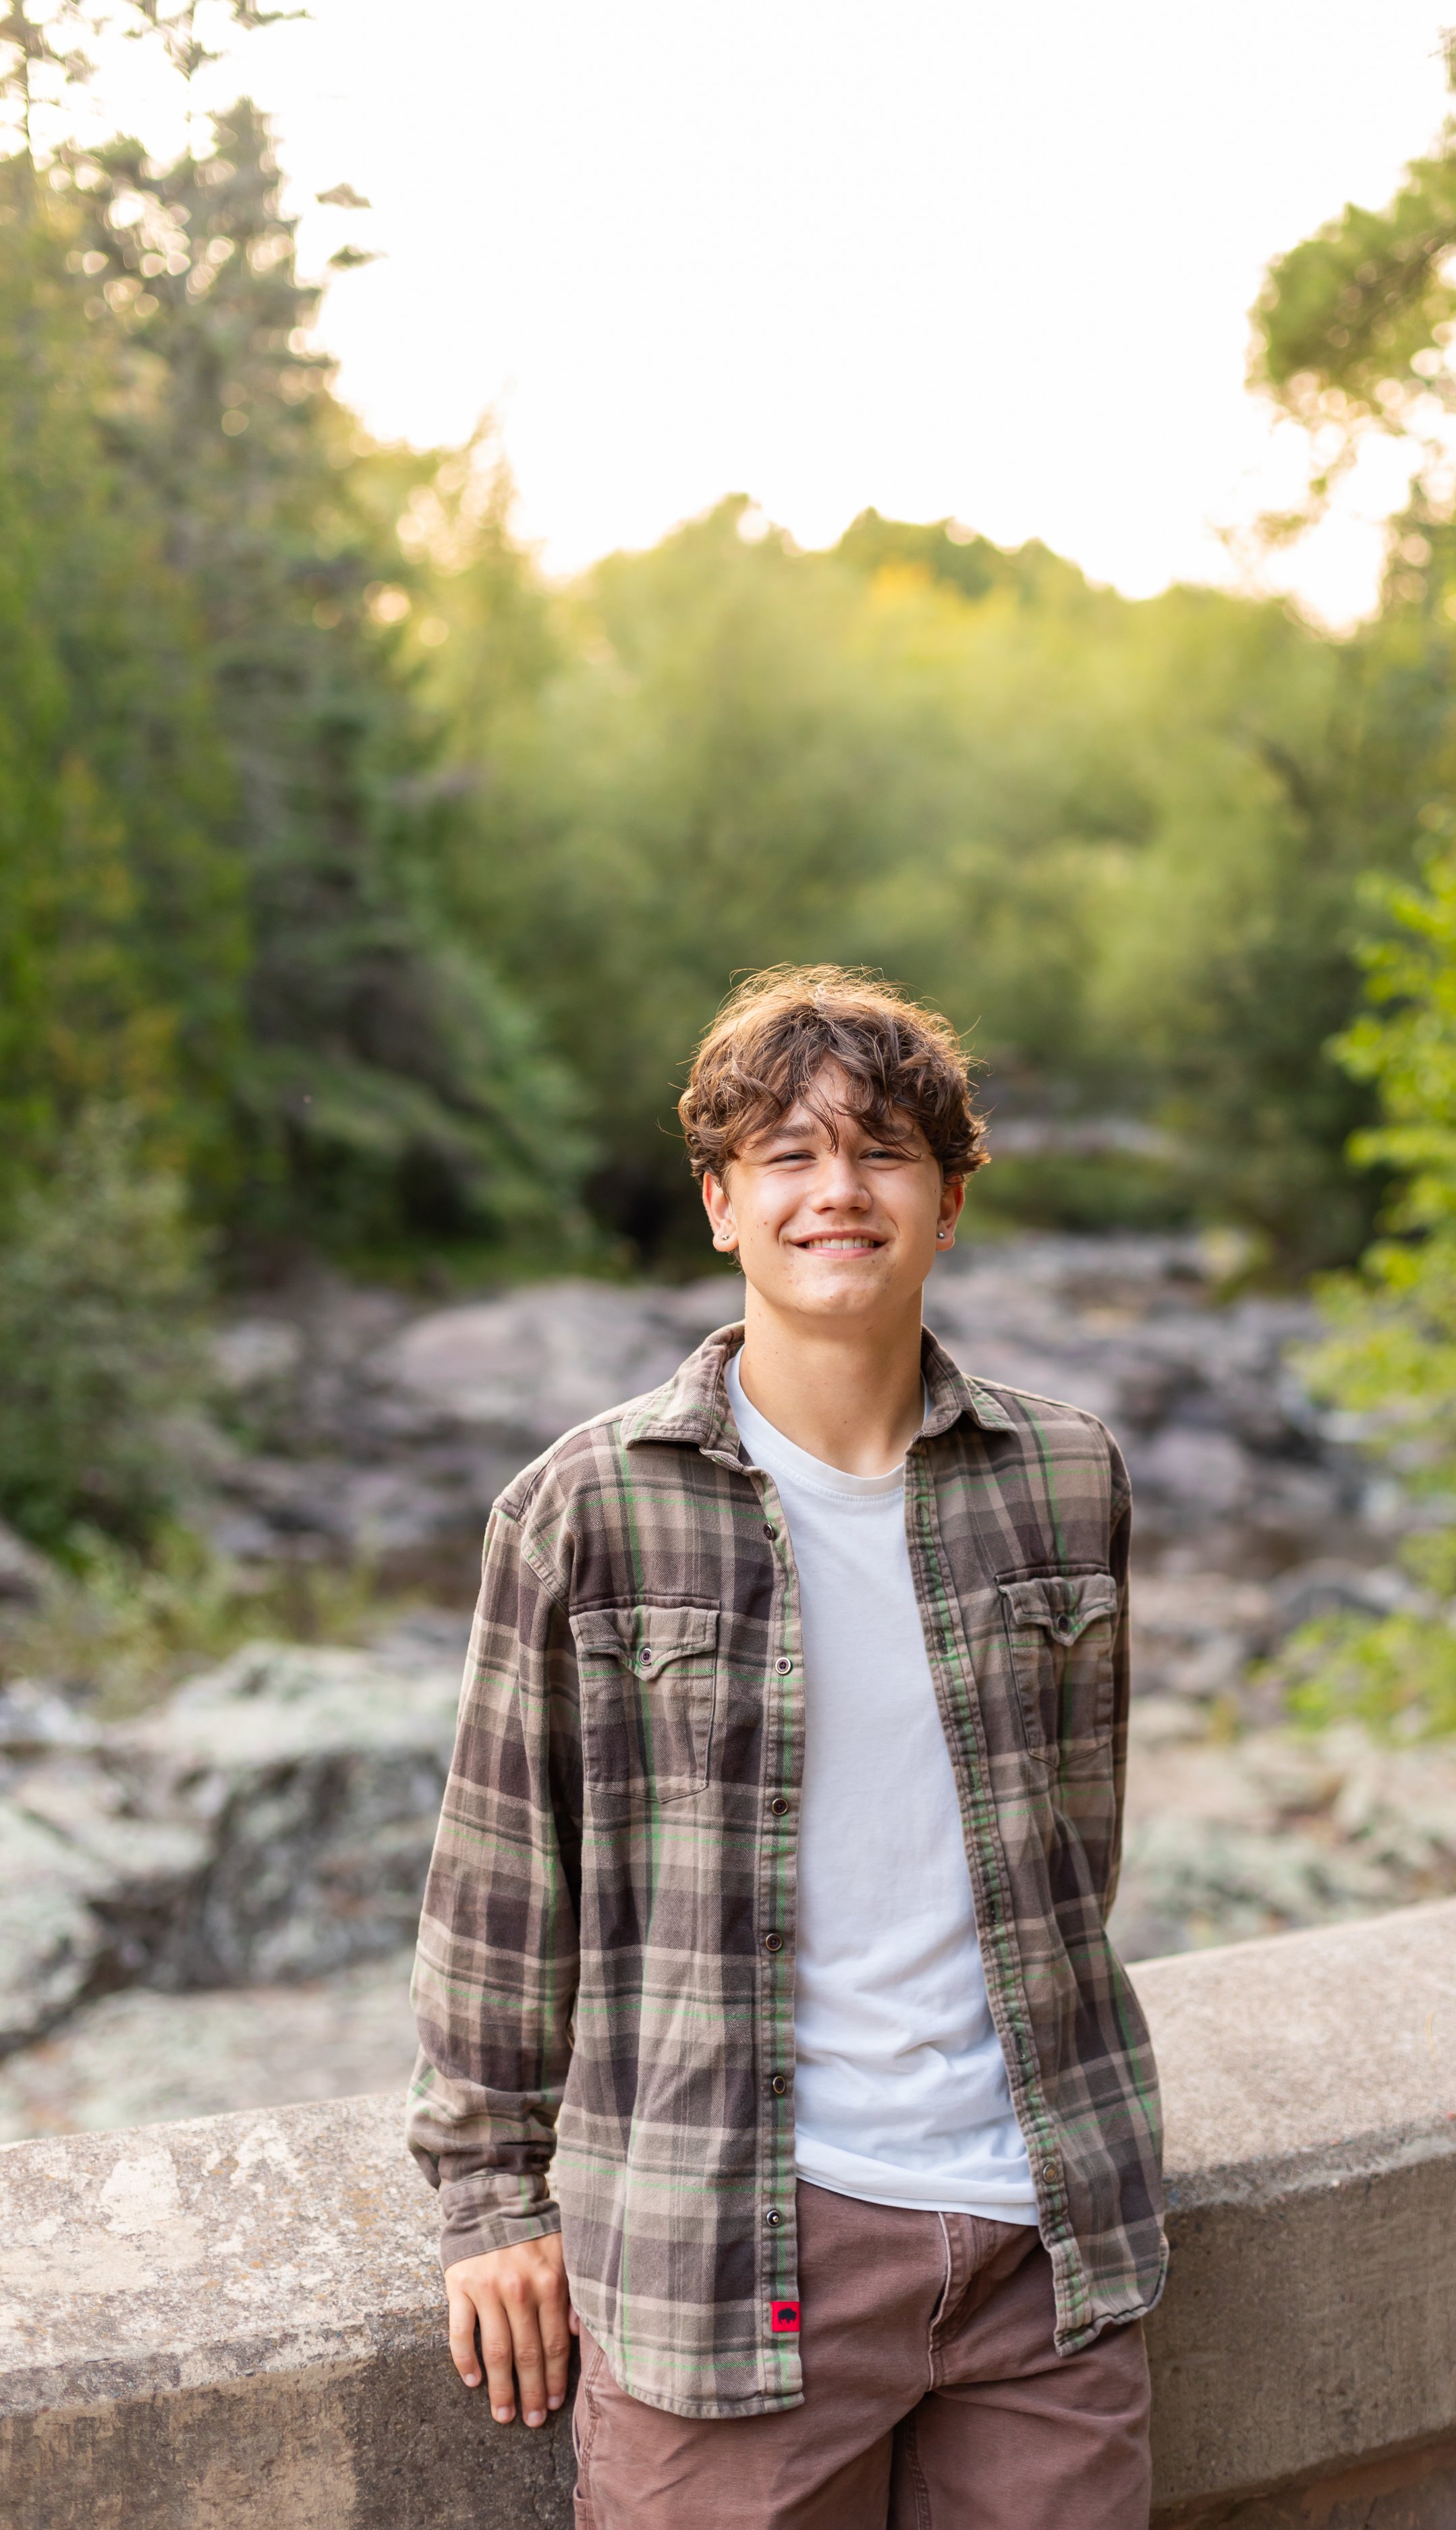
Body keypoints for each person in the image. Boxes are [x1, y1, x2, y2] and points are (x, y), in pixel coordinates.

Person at [407, 965, 1167, 2529]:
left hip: (1043, 2242)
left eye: (884, 1151)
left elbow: (1074, 1843)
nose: (840, 1191)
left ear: (949, 1203)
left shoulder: (1064, 1480)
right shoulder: (584, 1510)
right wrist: (489, 2197)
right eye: (789, 1156)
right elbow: (500, 1874)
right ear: (719, 1205)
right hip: (731, 2254)